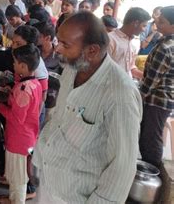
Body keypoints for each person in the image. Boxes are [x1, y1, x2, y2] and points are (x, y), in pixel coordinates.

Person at [33, 11, 142, 203]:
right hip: (49, 182)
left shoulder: (120, 94)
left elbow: (122, 166)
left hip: (77, 197)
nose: (57, 48)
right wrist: (37, 156)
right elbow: (58, 118)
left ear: (91, 50)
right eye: (59, 41)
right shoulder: (71, 69)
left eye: (65, 44)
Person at [0, 45, 43, 203]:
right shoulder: (34, 83)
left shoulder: (24, 89)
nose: (13, 65)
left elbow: (16, 117)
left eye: (15, 62)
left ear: (23, 67)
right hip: (26, 137)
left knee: (18, 180)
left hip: (19, 140)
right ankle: (13, 199)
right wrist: (10, 93)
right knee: (15, 176)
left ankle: (17, 201)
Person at [139, 6, 174, 170]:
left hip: (157, 100)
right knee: (151, 136)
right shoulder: (166, 42)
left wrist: (138, 97)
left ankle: (151, 174)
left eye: (162, 22)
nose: (157, 23)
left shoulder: (166, 48)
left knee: (150, 139)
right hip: (164, 100)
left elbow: (151, 81)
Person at [108, 7, 150, 79]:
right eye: (144, 26)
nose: (144, 30)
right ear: (136, 23)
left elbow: (130, 68)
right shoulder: (110, 39)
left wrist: (147, 78)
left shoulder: (134, 43)